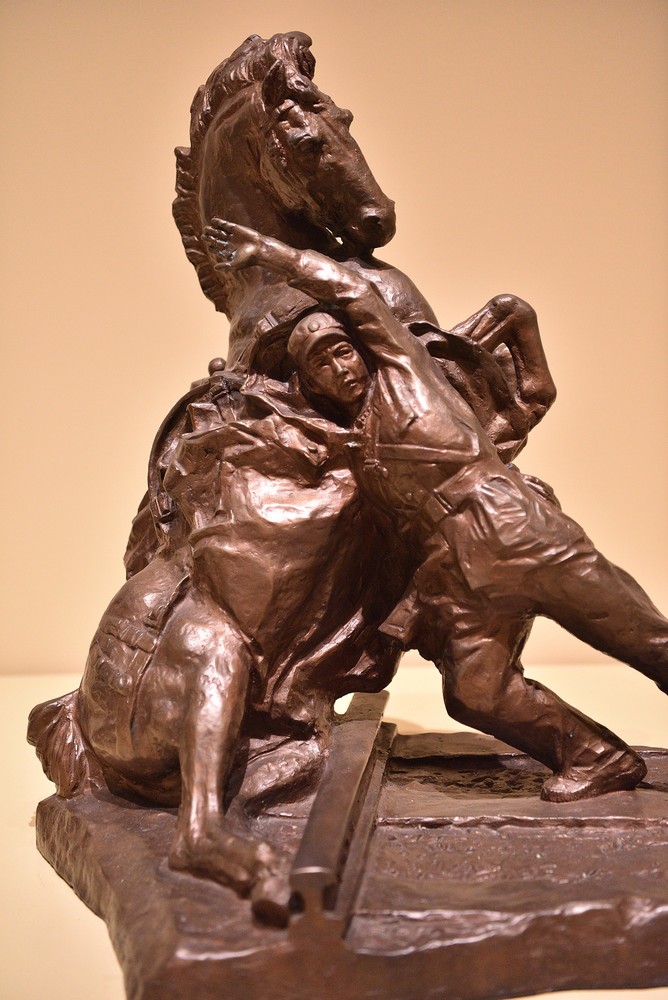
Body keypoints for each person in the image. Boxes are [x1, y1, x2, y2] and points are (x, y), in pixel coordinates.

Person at [204, 217, 668, 803]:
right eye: (321, 365)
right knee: (476, 692)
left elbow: (353, 292)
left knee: (642, 639)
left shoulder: (406, 369)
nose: (340, 369)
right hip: (458, 573)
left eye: (343, 352)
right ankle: (595, 756)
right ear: (311, 383)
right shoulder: (352, 443)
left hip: (513, 529)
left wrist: (273, 253)